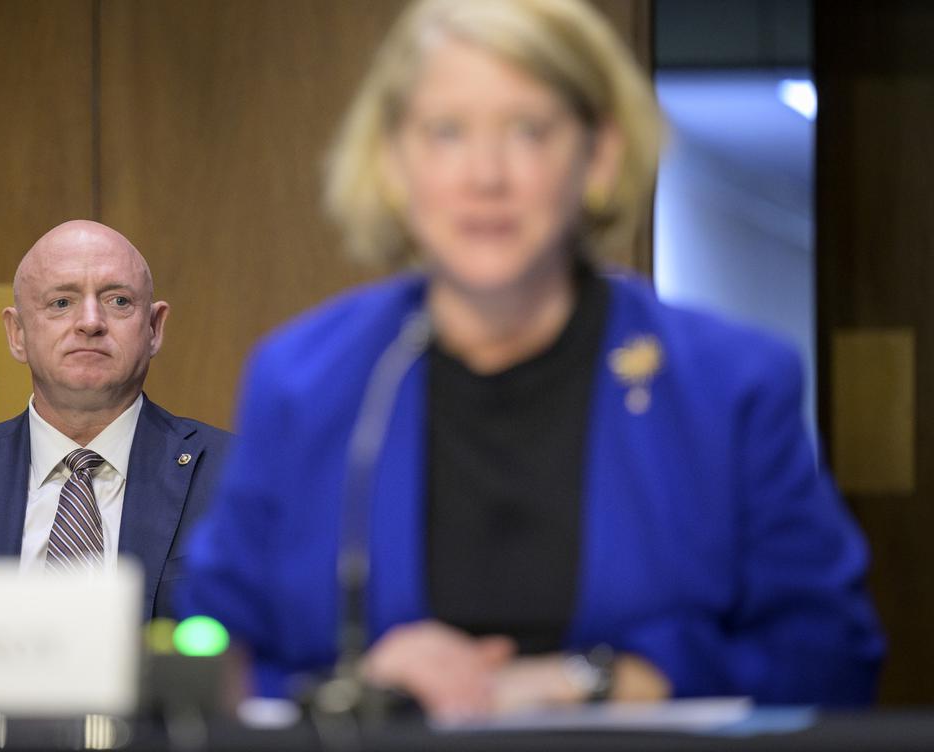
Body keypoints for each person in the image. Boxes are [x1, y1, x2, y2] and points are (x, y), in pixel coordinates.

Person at [179, 0, 883, 717]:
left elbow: (831, 656)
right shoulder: (303, 381)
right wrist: (356, 688)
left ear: (598, 153)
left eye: (529, 130)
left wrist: (598, 681)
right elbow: (204, 648)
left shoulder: (729, 383)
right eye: (446, 132)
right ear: (394, 160)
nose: (487, 176)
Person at [0, 220, 230, 620]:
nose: (90, 321)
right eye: (61, 303)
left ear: (154, 328)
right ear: (17, 334)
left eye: (118, 301)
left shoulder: (233, 473)